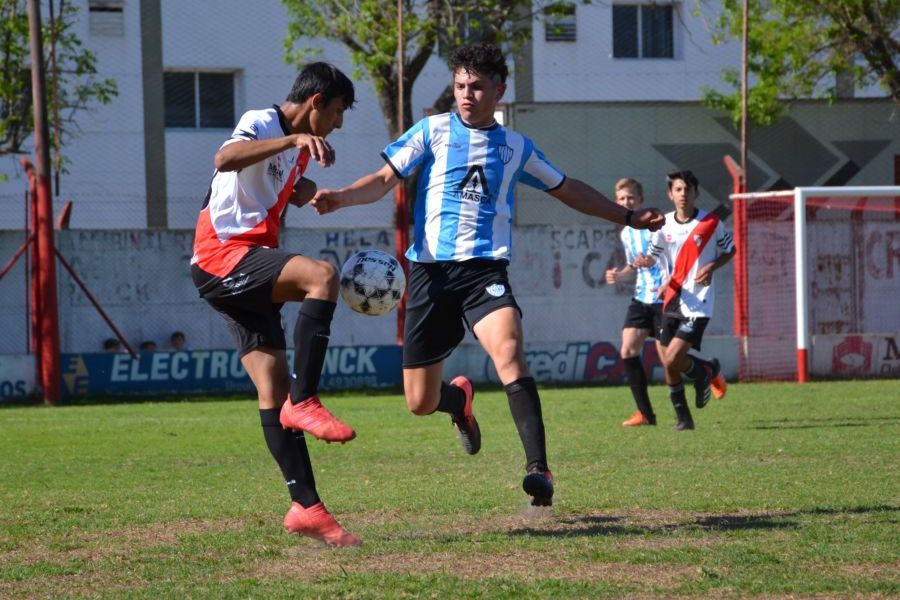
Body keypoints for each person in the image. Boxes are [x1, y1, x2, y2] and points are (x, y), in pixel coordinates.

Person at [311, 43, 664, 507]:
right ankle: (458, 404)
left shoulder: (516, 147)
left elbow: (568, 189)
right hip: (430, 275)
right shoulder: (432, 131)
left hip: (484, 273)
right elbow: (382, 180)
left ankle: (539, 470)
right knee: (419, 401)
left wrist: (628, 218)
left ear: (499, 90)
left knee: (510, 352)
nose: (467, 94)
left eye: (477, 86)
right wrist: (340, 197)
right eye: (460, 85)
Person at [189, 62, 360, 546]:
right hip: (225, 254)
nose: (339, 124)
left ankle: (307, 508)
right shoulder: (264, 122)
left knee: (272, 389)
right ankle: (307, 401)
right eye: (338, 112)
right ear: (316, 103)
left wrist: (313, 195)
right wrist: (291, 142)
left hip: (242, 262)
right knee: (322, 276)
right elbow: (226, 159)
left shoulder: (298, 152)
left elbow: (278, 183)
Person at [634, 170, 731, 431]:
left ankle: (705, 372)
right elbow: (654, 255)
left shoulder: (710, 223)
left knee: (673, 357)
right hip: (671, 299)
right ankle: (684, 418)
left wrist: (711, 267)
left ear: (696, 193)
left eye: (688, 189)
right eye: (678, 189)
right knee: (668, 362)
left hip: (698, 302)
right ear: (670, 194)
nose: (683, 194)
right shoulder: (663, 224)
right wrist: (646, 262)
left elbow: (730, 249)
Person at [604, 178, 667, 427]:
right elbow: (635, 263)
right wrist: (620, 274)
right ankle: (645, 413)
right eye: (621, 199)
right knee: (628, 350)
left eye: (630, 198)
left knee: (671, 359)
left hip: (664, 296)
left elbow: (669, 258)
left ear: (640, 200)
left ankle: (707, 371)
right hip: (642, 297)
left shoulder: (657, 225)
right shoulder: (626, 232)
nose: (626, 202)